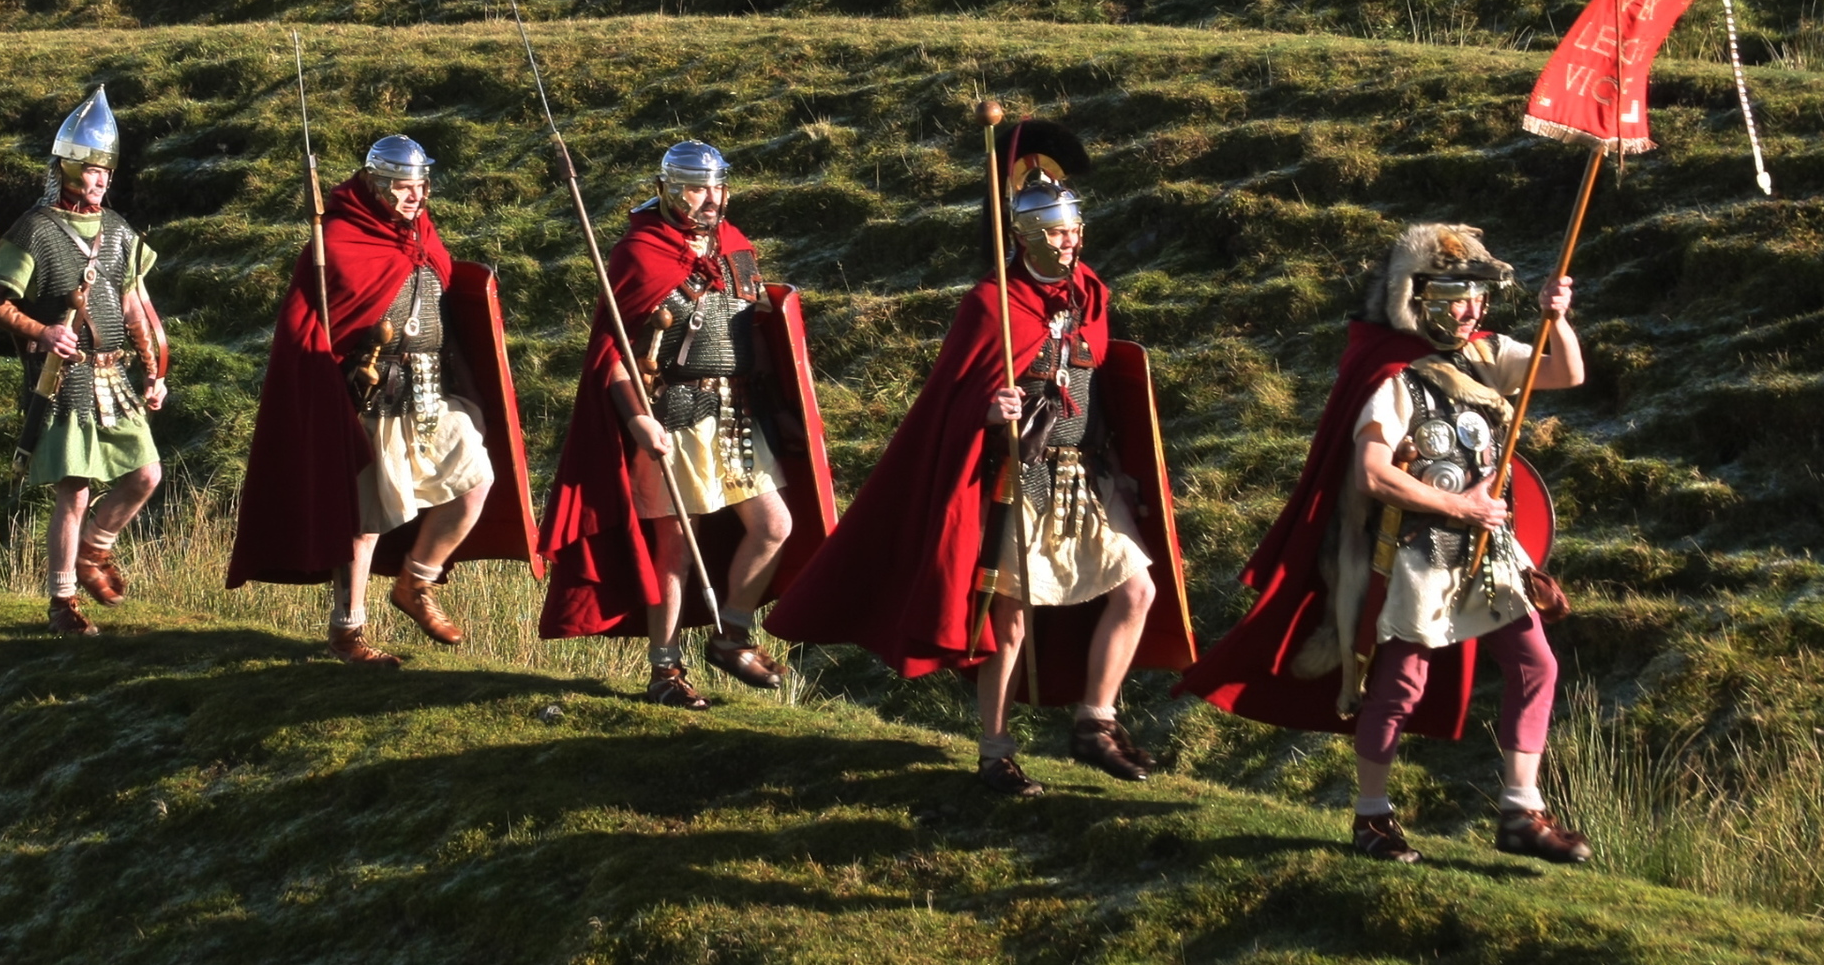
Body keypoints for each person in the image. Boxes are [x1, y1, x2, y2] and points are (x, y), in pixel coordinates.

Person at [1179, 224, 1594, 865]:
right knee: (1400, 685)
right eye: (1458, 297)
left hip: (1492, 549)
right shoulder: (1395, 378)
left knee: (1536, 664)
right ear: (1423, 297)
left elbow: (1565, 371)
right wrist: (1461, 504)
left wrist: (1555, 317)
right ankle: (1371, 816)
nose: (1472, 310)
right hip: (1423, 551)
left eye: (1477, 297)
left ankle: (1520, 808)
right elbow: (1373, 473)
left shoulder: (1488, 355)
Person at [773, 159, 1177, 793]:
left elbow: (1099, 387)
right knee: (1008, 620)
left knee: (1138, 592)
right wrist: (989, 410)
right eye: (1057, 231)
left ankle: (1094, 721)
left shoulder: (1089, 295)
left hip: (1085, 476)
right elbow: (948, 399)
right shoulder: (992, 305)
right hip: (1020, 478)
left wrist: (1118, 467)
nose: (1069, 241)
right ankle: (995, 751)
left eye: (1074, 229)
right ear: (1025, 236)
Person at [540, 140, 829, 708]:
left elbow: (754, 335)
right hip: (672, 414)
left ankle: (732, 635)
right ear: (669, 190)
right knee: (672, 548)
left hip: (739, 413)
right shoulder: (638, 254)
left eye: (716, 187)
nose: (708, 199)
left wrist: (780, 408)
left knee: (774, 525)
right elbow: (613, 355)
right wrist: (637, 420)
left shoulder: (736, 248)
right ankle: (664, 670)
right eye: (696, 189)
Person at [226, 134, 526, 666]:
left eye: (420, 185)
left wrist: (468, 381)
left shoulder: (422, 235)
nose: (414, 196)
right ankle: (347, 631)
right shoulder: (337, 241)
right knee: (364, 522)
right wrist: (328, 381)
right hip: (371, 398)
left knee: (476, 483)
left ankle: (416, 583)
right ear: (376, 184)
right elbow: (308, 331)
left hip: (431, 390)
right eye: (402, 186)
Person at [0, 85, 169, 633]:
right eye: (92, 169)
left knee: (146, 473)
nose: (102, 179)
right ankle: (62, 603)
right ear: (65, 170)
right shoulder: (36, 229)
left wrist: (154, 371)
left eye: (107, 170)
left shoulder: (119, 232)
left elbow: (133, 309)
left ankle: (93, 552)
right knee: (74, 489)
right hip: (64, 380)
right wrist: (43, 330)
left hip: (114, 375)